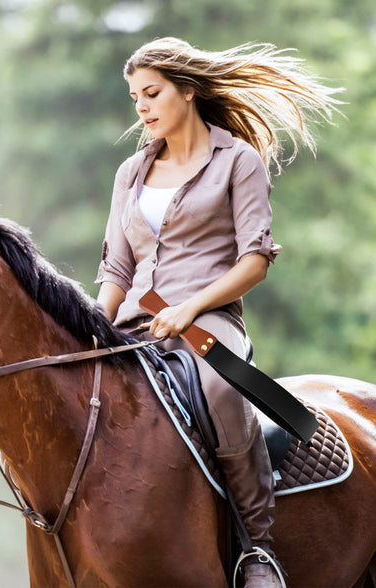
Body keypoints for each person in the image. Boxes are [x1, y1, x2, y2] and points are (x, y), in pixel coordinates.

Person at [96, 37, 341, 587]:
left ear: (187, 90)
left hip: (208, 322)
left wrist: (189, 308)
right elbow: (115, 271)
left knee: (223, 389)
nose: (142, 107)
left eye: (152, 93)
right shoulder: (129, 174)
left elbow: (254, 260)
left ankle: (257, 548)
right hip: (133, 323)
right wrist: (88, 329)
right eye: (135, 97)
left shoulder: (238, 161)